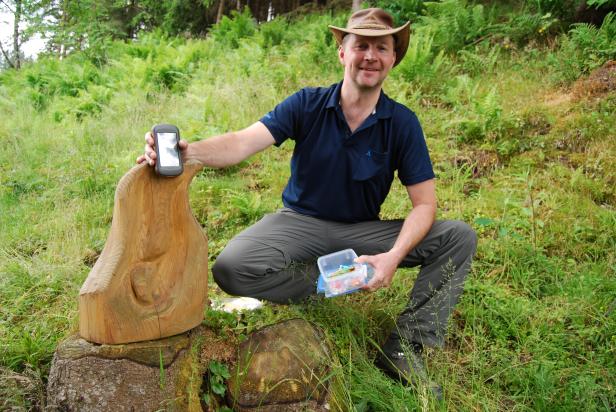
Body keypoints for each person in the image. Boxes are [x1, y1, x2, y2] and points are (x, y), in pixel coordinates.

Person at [137, 8, 477, 399]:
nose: (370, 56)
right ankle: (336, 281)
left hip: (361, 232)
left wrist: (393, 256)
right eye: (360, 45)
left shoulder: (401, 123)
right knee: (232, 268)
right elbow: (242, 141)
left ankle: (406, 347)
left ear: (393, 59)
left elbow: (424, 206)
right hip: (298, 222)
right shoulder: (308, 104)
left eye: (381, 48)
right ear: (342, 53)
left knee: (457, 238)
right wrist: (188, 152)